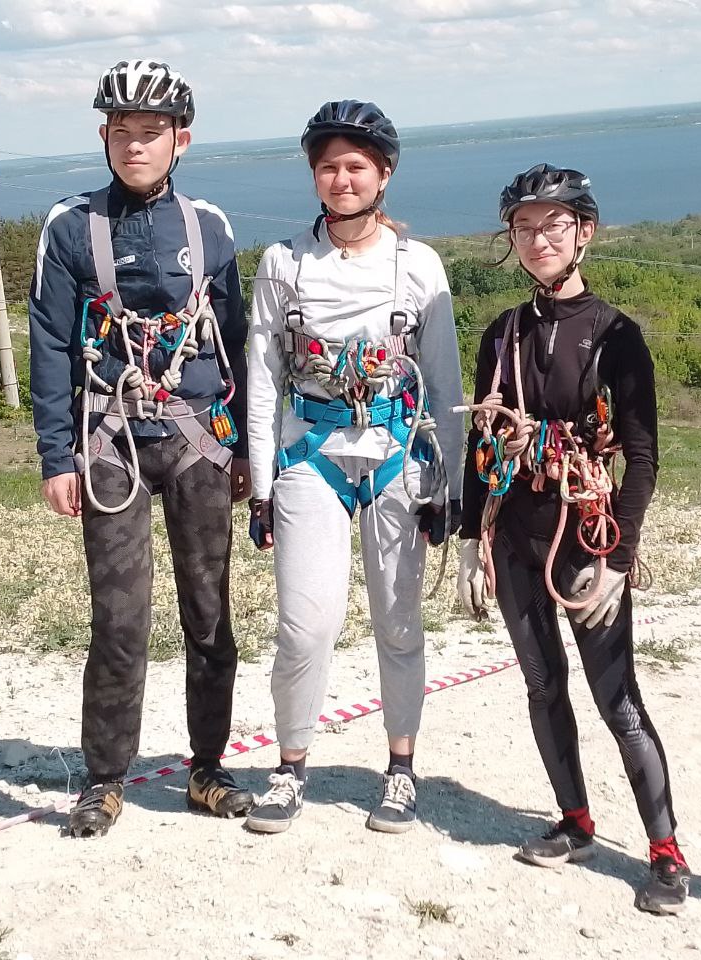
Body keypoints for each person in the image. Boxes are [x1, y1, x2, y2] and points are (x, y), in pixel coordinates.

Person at [454, 164, 690, 915]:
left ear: (584, 231)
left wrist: (619, 560)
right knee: (542, 684)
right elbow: (481, 441)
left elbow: (643, 456)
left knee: (616, 699)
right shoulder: (502, 334)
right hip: (514, 535)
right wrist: (470, 540)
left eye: (553, 225)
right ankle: (576, 821)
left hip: (585, 534)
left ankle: (666, 852)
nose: (538, 240)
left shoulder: (616, 336)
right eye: (523, 227)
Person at [28, 60, 253, 837]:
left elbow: (235, 339)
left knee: (209, 614)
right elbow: (49, 343)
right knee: (119, 621)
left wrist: (244, 447)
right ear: (104, 136)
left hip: (198, 441)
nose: (135, 145)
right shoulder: (69, 227)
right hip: (109, 440)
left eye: (151, 132)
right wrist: (55, 456)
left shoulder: (209, 227)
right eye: (121, 131)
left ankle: (207, 768)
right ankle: (104, 778)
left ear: (179, 140)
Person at [244, 100, 464, 836]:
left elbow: (445, 382)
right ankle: (290, 766)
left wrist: (450, 487)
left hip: (397, 455)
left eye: (356, 167)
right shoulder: (283, 264)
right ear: (314, 175)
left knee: (398, 623)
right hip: (311, 453)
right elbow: (264, 380)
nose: (342, 180)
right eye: (329, 167)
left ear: (384, 174)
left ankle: (401, 768)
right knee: (305, 627)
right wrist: (261, 487)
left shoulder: (418, 266)